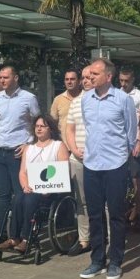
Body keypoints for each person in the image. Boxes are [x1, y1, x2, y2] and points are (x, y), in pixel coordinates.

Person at [79, 58, 137, 279]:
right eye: (90, 74)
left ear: (108, 76)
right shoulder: (86, 100)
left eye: (95, 74)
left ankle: (116, 262)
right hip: (92, 164)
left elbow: (131, 134)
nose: (90, 77)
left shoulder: (123, 100)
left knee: (116, 215)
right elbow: (89, 127)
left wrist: (125, 159)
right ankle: (97, 260)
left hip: (115, 165)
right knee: (94, 214)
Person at [0, 64, 40, 241]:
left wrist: (29, 143)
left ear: (15, 78)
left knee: (21, 194)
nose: (2, 81)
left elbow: (38, 124)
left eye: (6, 77)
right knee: (2, 195)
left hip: (17, 153)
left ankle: (21, 234)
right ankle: (2, 234)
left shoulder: (29, 98)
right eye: (1, 78)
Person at [0, 114, 69, 253]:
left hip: (50, 191)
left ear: (50, 129)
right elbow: (23, 172)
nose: (39, 129)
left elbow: (62, 171)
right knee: (18, 198)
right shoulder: (29, 149)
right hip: (31, 189)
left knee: (30, 200)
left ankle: (26, 239)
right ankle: (13, 238)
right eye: (37, 126)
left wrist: (48, 188)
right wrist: (25, 186)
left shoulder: (58, 146)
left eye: (43, 126)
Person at [65, 66, 93, 255]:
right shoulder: (75, 102)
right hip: (78, 158)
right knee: (81, 201)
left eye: (89, 77)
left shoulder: (108, 101)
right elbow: (69, 130)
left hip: (100, 160)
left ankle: (108, 237)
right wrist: (74, 149)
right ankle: (85, 239)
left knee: (105, 203)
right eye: (83, 78)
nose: (85, 81)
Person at [119, 67, 140, 225]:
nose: (123, 84)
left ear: (133, 81)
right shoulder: (115, 94)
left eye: (126, 81)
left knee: (137, 178)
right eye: (121, 81)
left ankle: (139, 211)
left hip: (133, 144)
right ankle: (123, 211)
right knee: (120, 179)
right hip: (118, 145)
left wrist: (139, 141)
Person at [49, 68, 82, 144]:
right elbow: (52, 124)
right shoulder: (58, 100)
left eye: (72, 79)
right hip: (64, 146)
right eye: (67, 79)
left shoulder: (86, 98)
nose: (69, 82)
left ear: (79, 81)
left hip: (83, 146)